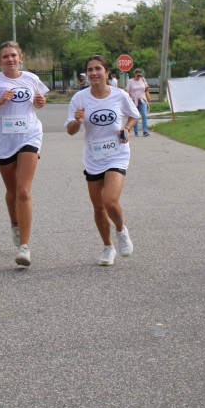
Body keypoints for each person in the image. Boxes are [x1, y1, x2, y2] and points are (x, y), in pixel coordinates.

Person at [0, 41, 48, 267]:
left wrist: (40, 102)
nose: (10, 59)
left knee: (23, 190)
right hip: (3, 141)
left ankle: (24, 247)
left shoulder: (31, 79)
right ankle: (15, 224)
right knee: (12, 191)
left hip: (29, 136)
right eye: (5, 57)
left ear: (20, 57)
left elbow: (39, 102)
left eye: (13, 55)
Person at [65, 55, 139, 266]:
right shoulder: (79, 98)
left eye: (98, 69)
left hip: (117, 154)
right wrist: (77, 121)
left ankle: (121, 231)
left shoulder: (119, 95)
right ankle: (108, 247)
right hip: (94, 157)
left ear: (107, 72)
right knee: (98, 207)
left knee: (110, 201)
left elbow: (134, 115)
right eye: (90, 70)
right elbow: (70, 130)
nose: (94, 73)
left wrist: (127, 129)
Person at [125, 68, 151, 136]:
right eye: (138, 75)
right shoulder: (130, 81)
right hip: (134, 100)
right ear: (135, 75)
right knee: (135, 115)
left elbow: (146, 88)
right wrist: (128, 100)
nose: (139, 77)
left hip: (142, 99)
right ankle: (136, 131)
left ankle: (145, 131)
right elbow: (127, 91)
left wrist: (147, 89)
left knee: (144, 115)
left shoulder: (143, 80)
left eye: (140, 75)